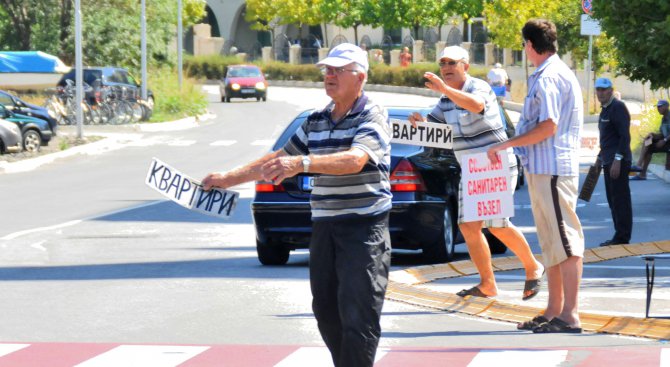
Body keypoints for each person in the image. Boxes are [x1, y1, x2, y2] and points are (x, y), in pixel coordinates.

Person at [202, 43, 391, 367]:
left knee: (359, 312)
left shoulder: (372, 113)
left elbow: (356, 160)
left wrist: (302, 164)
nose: (328, 76)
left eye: (337, 70)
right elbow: (278, 158)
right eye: (326, 70)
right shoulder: (316, 119)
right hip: (325, 225)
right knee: (326, 311)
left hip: (363, 227)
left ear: (359, 77)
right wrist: (227, 178)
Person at [408, 46, 544, 300]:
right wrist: (419, 122)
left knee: (497, 226)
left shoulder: (478, 87)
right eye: (442, 63)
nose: (446, 68)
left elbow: (477, 106)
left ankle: (533, 266)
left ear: (465, 66)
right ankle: (487, 284)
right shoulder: (445, 100)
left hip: (494, 164)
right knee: (469, 227)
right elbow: (436, 129)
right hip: (470, 168)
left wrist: (445, 89)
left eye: (451, 63)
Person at [487, 19, 585, 334]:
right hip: (543, 168)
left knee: (566, 242)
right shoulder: (549, 74)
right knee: (552, 243)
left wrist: (508, 144)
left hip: (552, 168)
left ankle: (569, 315)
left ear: (529, 45)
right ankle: (555, 310)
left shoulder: (549, 77)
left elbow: (549, 125)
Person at [594, 77, 632, 246]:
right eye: (598, 90)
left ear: (610, 90)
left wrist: (618, 159)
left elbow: (625, 136)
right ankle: (619, 234)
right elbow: (607, 140)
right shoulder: (605, 110)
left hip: (618, 162)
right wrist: (599, 160)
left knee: (620, 199)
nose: (600, 93)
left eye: (604, 89)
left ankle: (623, 237)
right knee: (612, 200)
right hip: (607, 160)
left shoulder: (617, 107)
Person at [630, 99, 670, 180]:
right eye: (657, 107)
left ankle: (639, 165)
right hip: (667, 142)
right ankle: (641, 172)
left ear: (666, 106)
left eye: (660, 106)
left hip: (667, 142)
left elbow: (666, 137)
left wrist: (664, 140)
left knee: (668, 167)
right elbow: (662, 134)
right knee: (648, 142)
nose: (658, 108)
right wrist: (653, 135)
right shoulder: (663, 119)